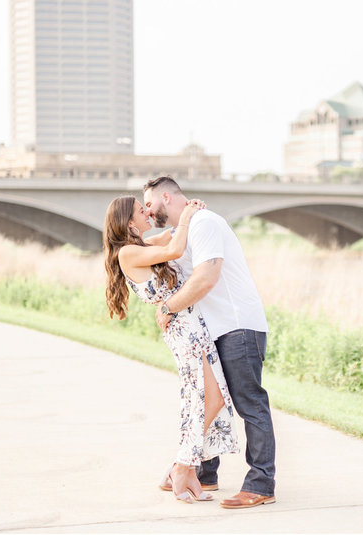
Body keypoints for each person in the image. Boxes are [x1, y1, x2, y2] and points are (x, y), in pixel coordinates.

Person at [143, 176, 276, 510]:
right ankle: (205, 472)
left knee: (250, 403)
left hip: (237, 325)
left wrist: (168, 307)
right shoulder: (181, 231)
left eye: (149, 203)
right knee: (206, 398)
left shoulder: (205, 223)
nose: (147, 210)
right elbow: (139, 248)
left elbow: (207, 276)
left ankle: (261, 484)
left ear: (166, 197)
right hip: (211, 330)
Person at [102, 195, 239, 504]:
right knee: (210, 397)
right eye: (141, 210)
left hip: (191, 322)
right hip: (182, 328)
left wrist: (188, 212)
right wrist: (189, 213)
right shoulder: (127, 253)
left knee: (207, 397)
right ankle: (180, 467)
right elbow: (175, 249)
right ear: (129, 221)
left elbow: (173, 237)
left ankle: (186, 470)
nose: (147, 212)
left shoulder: (145, 245)